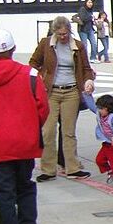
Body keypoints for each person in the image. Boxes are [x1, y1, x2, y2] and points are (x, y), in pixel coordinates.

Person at [0, 28, 50, 224]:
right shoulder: (30, 74)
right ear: (12, 50)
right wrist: (30, 128)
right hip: (25, 142)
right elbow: (43, 107)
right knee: (25, 188)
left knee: (4, 196)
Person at [29, 15, 96, 181]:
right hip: (50, 92)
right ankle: (48, 169)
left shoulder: (78, 46)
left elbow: (86, 68)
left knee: (69, 131)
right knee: (48, 131)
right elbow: (33, 63)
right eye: (59, 34)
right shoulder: (46, 44)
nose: (63, 37)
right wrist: (40, 80)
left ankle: (72, 167)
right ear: (54, 33)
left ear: (69, 31)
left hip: (71, 91)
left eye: (65, 34)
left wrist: (88, 81)